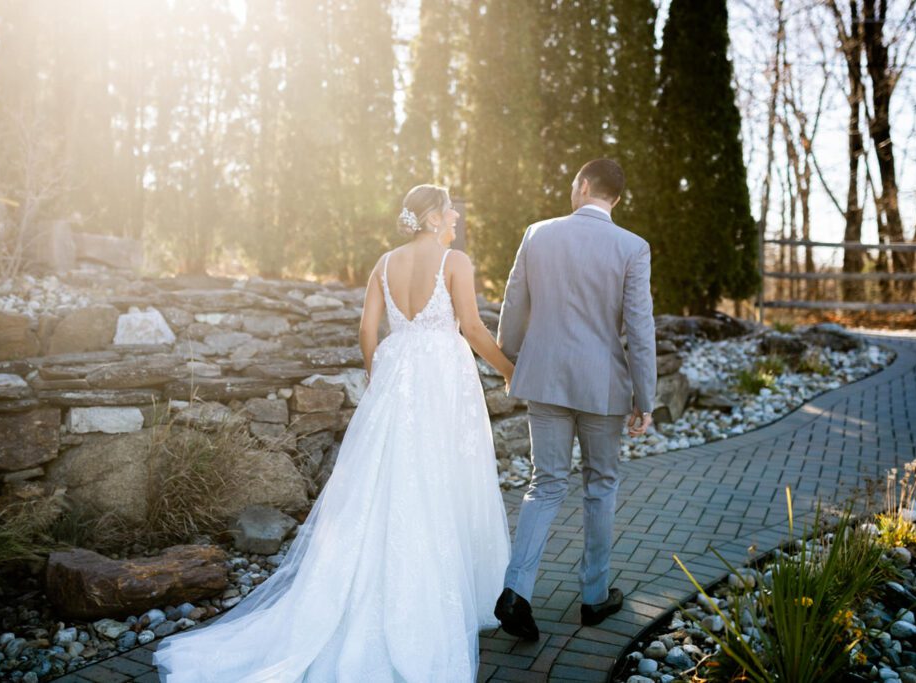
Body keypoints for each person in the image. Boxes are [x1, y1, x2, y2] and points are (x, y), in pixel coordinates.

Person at [152, 184, 513, 682]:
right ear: (432, 218)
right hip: (442, 379)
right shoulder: (456, 262)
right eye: (449, 208)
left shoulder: (384, 264)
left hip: (397, 374)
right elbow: (471, 328)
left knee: (386, 484)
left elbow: (368, 328)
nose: (454, 215)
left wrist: (376, 371)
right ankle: (435, 602)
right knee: (441, 478)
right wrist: (509, 369)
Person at [493, 158, 657, 640]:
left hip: (543, 379)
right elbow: (639, 328)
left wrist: (512, 357)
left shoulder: (537, 234)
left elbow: (514, 302)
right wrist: (644, 397)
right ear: (617, 198)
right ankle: (593, 596)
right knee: (601, 484)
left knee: (544, 483)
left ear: (584, 186)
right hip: (602, 386)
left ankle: (516, 592)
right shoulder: (632, 247)